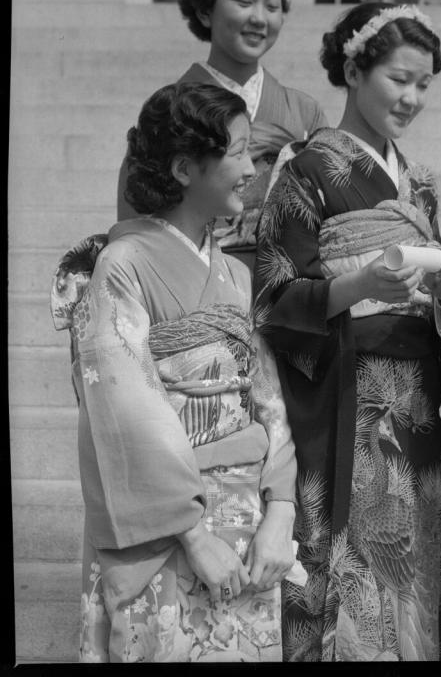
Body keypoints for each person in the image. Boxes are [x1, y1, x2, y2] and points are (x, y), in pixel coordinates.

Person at [253, 2, 441, 661]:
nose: (412, 97)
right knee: (350, 570)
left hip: (418, 405)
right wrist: (359, 287)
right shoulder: (305, 170)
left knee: (413, 574)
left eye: (424, 84)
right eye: (399, 78)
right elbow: (274, 295)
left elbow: (435, 298)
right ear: (353, 69)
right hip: (347, 397)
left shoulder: (420, 184)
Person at [50, 82, 298, 662]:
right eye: (237, 152)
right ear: (185, 168)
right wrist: (194, 534)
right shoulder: (122, 266)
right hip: (166, 527)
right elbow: (124, 410)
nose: (251, 168)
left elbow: (268, 400)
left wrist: (280, 510)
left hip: (246, 524)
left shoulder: (235, 276)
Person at [117, 0, 328, 271]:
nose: (259, 18)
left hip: (286, 290)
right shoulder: (172, 111)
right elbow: (138, 223)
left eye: (272, 6)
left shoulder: (304, 111)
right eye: (244, 2)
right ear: (205, 10)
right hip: (193, 284)